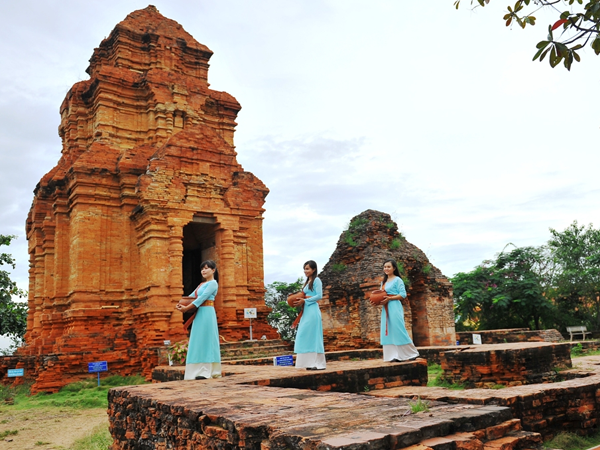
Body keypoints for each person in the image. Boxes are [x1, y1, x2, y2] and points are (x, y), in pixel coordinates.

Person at [176, 260, 221, 379]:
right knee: (197, 340)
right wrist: (180, 304)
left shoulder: (213, 283)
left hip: (207, 313)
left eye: (207, 268)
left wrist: (186, 309)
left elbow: (201, 299)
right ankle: (195, 372)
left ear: (213, 270)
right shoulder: (201, 285)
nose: (204, 270)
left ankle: (207, 372)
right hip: (199, 313)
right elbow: (192, 297)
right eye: (202, 269)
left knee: (207, 339)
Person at [375, 259, 419, 362]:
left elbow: (402, 294)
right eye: (385, 267)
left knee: (398, 329)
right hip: (385, 308)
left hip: (394, 306)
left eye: (389, 267)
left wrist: (390, 298)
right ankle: (393, 356)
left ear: (394, 268)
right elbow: (381, 295)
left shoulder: (398, 280)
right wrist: (377, 301)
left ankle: (411, 353)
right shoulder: (383, 282)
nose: (386, 269)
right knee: (388, 331)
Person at [292, 260, 326, 370]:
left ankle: (318, 364)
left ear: (314, 269)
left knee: (314, 336)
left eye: (307, 268)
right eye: (304, 269)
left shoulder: (317, 280)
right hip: (306, 311)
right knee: (304, 335)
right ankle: (308, 363)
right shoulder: (307, 282)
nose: (305, 271)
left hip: (312, 310)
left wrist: (305, 301)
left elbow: (319, 296)